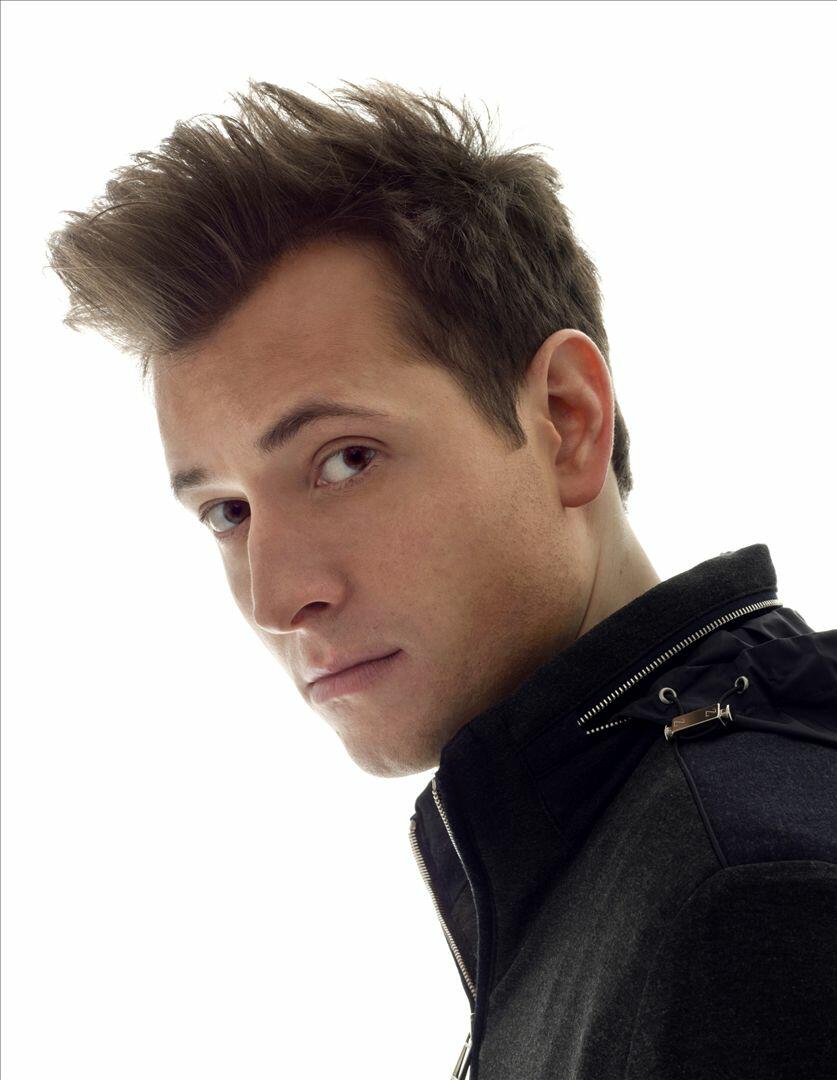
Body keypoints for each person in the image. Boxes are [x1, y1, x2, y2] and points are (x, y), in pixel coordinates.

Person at [45, 79, 836, 1079]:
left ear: (565, 420)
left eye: (345, 460)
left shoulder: (747, 898)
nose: (276, 598)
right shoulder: (609, 847)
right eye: (226, 513)